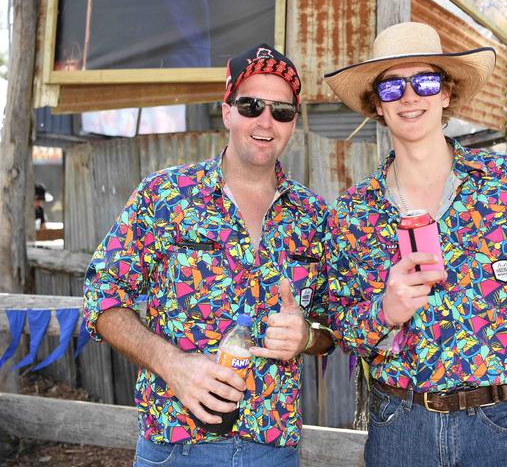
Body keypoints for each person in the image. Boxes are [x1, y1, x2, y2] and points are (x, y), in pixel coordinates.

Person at [324, 22, 507, 466]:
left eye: (424, 81)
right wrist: (385, 311)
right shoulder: (353, 211)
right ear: (376, 106)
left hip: (498, 425)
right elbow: (343, 329)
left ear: (445, 93)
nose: (409, 96)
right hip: (400, 426)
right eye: (391, 87)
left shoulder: (504, 185)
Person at [83, 43, 333, 467]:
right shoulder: (166, 195)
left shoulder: (314, 216)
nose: (266, 122)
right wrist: (171, 364)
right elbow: (102, 298)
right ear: (228, 111)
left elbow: (334, 326)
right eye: (251, 105)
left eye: (282, 111)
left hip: (272, 450)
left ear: (293, 123)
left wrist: (307, 337)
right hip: (174, 448)